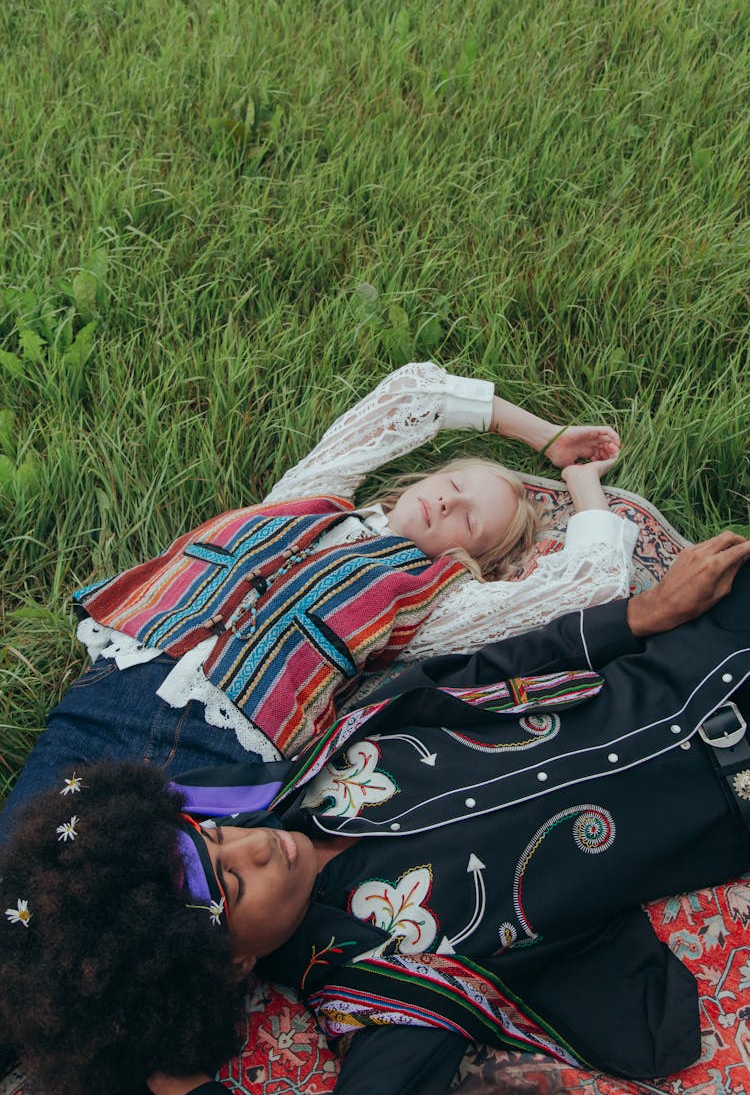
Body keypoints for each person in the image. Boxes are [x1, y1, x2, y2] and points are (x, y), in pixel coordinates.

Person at [2, 533, 749, 1095]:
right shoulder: (373, 985)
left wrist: (641, 613)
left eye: (220, 830)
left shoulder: (325, 765)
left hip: (701, 652)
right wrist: (172, 1077)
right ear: (231, 966)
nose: (259, 845)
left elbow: (476, 673)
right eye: (231, 885)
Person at [0, 362, 633, 836]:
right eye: (455, 483)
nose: (448, 501)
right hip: (115, 690)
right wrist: (547, 438)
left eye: (468, 520)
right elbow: (415, 394)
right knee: (15, 875)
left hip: (221, 750)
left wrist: (581, 487)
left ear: (468, 557)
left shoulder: (433, 601)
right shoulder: (314, 492)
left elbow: (593, 582)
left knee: (110, 926)